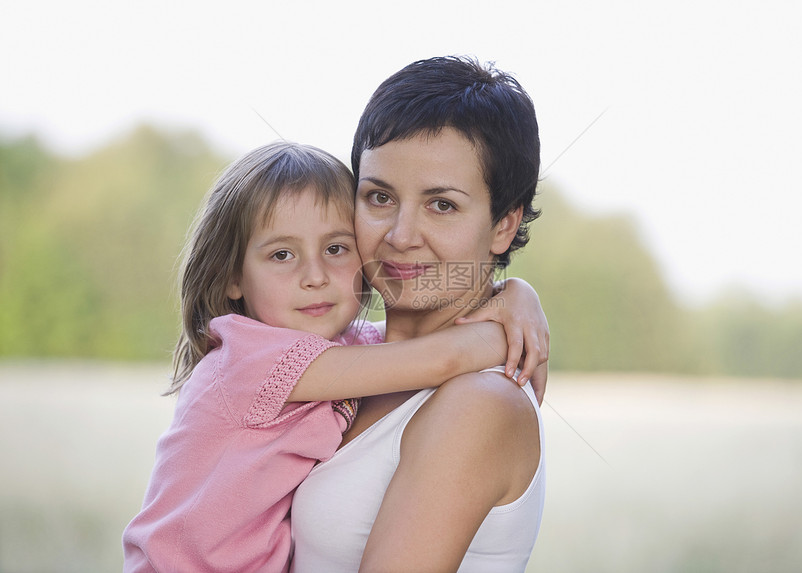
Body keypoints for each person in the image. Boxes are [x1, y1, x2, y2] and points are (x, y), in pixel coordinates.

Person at [121, 141, 548, 572]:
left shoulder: (345, 350)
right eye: (282, 255)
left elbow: (411, 349)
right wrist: (509, 331)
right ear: (233, 276)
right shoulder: (244, 357)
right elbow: (442, 358)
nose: (315, 277)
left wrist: (515, 293)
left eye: (336, 249)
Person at [290, 56, 547, 572]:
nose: (401, 236)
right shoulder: (344, 354)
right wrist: (513, 293)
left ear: (504, 223)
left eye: (442, 205)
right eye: (379, 197)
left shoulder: (481, 403)